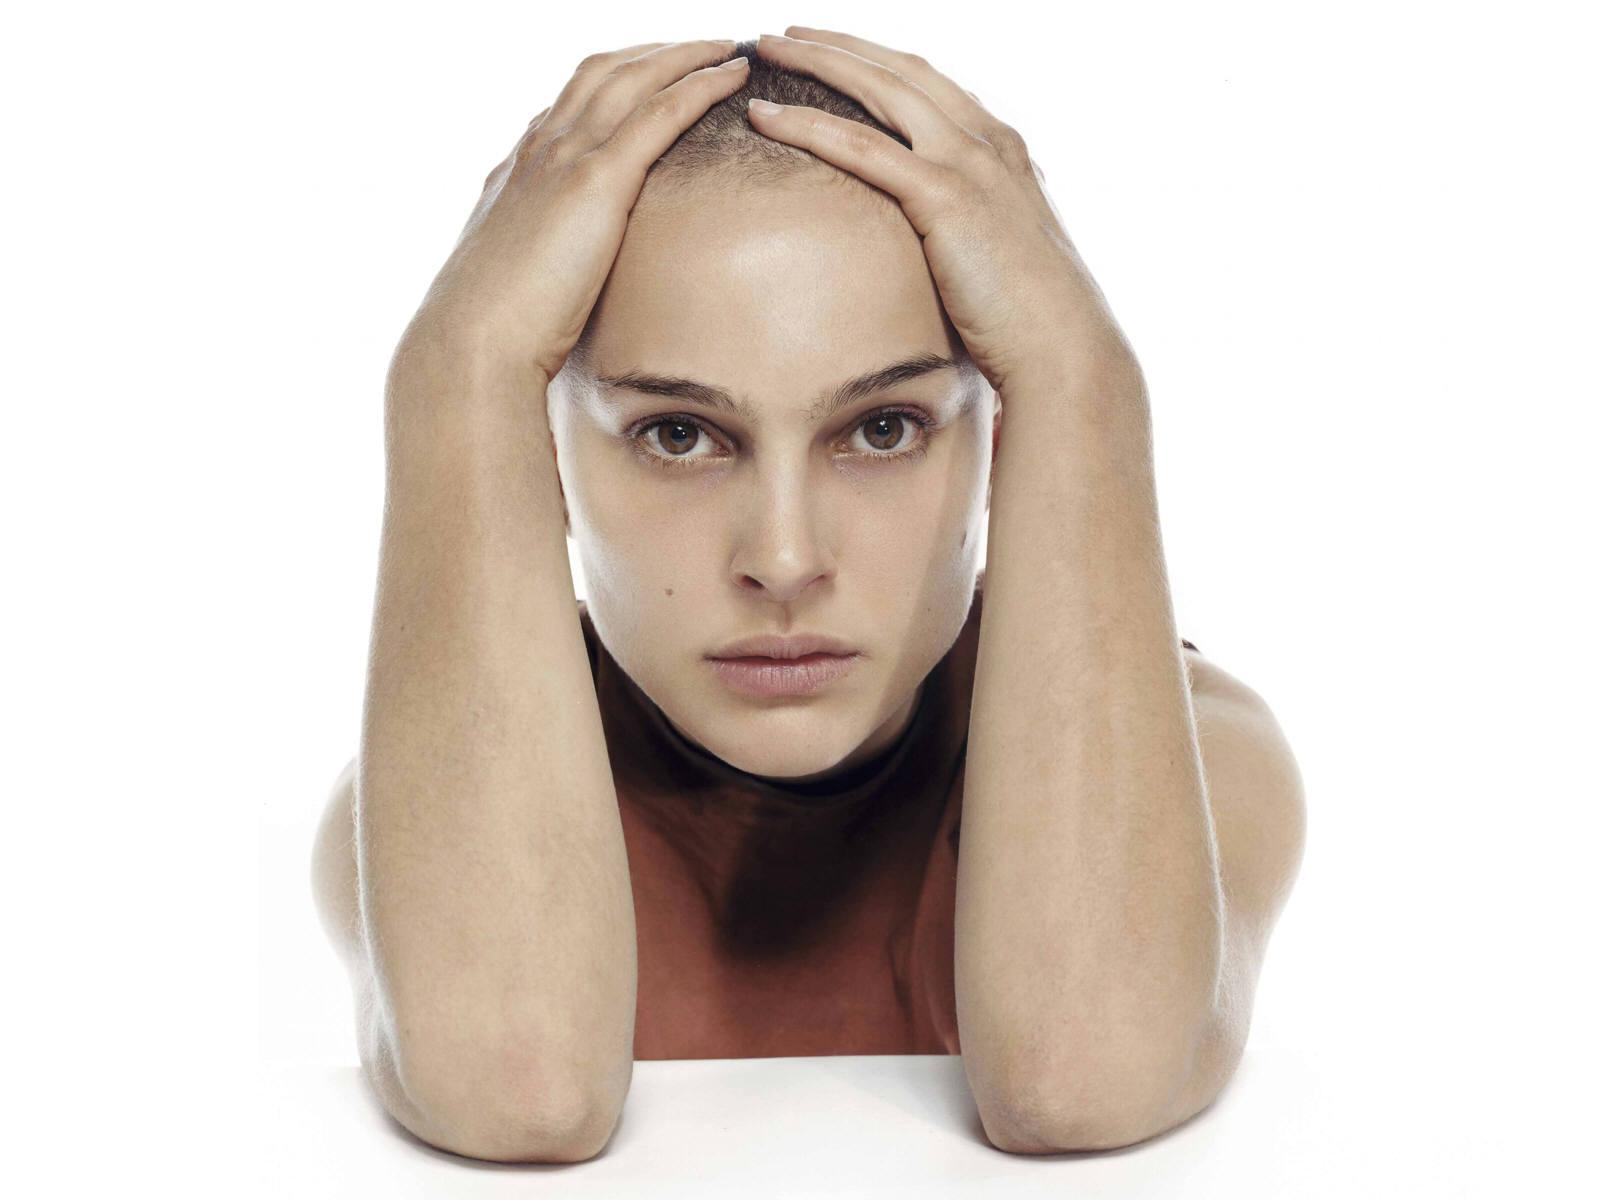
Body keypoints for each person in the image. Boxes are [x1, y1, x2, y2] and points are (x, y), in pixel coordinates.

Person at [311, 31, 1305, 1166]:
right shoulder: (423, 801)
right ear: (541, 455)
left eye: (882, 429)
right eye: (676, 434)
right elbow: (517, 1093)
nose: (783, 560)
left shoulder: (1205, 758)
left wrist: (1083, 372)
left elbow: (1081, 1081)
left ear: (999, 438)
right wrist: (457, 365)